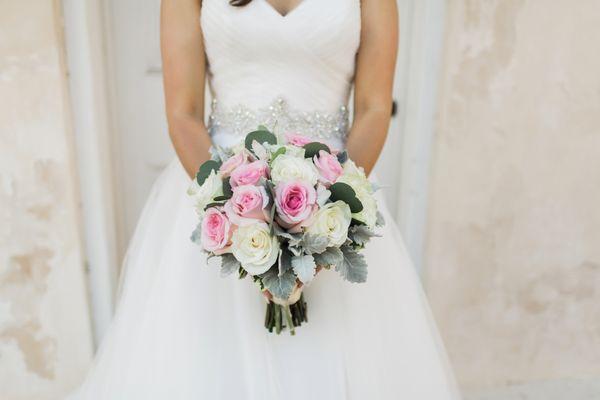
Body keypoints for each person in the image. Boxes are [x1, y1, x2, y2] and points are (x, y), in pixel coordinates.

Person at [69, 0, 461, 398]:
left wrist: (330, 218)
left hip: (335, 197)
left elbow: (375, 108)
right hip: (220, 197)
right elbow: (182, 114)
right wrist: (238, 217)